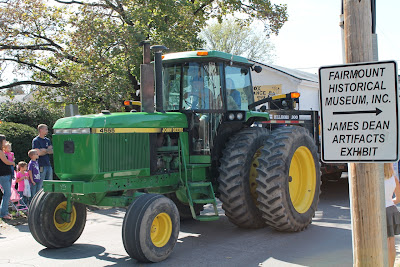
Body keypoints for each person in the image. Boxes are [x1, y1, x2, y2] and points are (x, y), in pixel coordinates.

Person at [384, 163, 400, 267]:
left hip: (381, 211)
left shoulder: (377, 179)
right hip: (392, 210)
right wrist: (389, 201)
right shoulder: (393, 178)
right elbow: (398, 199)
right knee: (391, 242)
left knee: (384, 243)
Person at [0, 134, 16, 220]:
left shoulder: (2, 151)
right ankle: (3, 213)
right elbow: (6, 161)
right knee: (7, 193)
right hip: (3, 175)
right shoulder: (0, 152)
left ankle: (4, 212)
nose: (5, 142)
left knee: (7, 193)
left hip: (7, 174)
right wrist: (13, 163)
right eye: (4, 140)